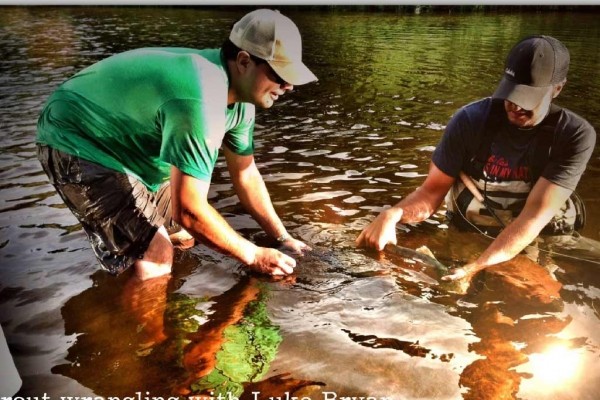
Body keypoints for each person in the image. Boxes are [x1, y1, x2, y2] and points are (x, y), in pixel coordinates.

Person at [36, 9, 317, 281]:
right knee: (157, 255)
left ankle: (166, 311)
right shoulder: (199, 99)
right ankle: (140, 326)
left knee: (185, 237)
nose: (289, 87)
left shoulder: (242, 101)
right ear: (244, 61)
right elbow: (189, 211)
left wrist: (282, 238)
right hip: (77, 135)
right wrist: (253, 255)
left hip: (130, 146)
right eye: (281, 76)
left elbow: (246, 175)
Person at [357, 35, 596, 282]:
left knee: (548, 304)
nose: (515, 106)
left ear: (558, 88)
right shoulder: (470, 120)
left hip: (537, 233)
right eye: (511, 94)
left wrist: (475, 267)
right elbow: (431, 192)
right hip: (470, 230)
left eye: (528, 99)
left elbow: (533, 216)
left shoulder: (575, 135)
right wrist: (393, 214)